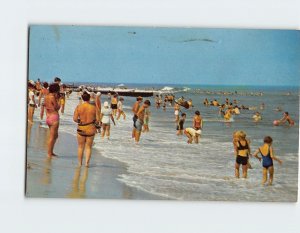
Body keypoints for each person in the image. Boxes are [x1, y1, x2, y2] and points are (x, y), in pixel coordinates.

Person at [73, 92, 99, 167]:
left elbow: (74, 119)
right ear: (89, 98)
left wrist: (79, 121)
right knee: (88, 147)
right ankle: (87, 163)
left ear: (82, 98)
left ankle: (80, 163)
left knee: (80, 147)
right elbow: (98, 120)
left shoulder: (79, 107)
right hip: (91, 128)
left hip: (81, 128)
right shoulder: (94, 107)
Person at [44, 83, 61, 157]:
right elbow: (57, 107)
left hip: (48, 117)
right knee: (52, 136)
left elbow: (47, 106)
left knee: (55, 136)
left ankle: (51, 151)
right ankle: (49, 153)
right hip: (54, 117)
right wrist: (59, 101)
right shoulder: (52, 97)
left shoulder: (46, 96)